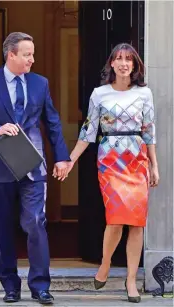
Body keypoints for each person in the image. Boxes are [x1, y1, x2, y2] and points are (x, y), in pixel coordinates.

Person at [0, 32, 70, 305]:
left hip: (33, 167)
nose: (32, 60)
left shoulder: (40, 83)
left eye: (32, 54)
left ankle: (40, 287)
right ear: (10, 54)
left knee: (36, 222)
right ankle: (10, 287)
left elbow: (53, 122)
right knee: (2, 228)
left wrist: (62, 157)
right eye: (27, 54)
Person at [58, 43, 159, 303]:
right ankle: (105, 264)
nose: (124, 63)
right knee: (115, 218)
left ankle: (131, 281)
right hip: (110, 161)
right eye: (119, 59)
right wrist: (70, 160)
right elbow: (89, 131)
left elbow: (148, 131)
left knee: (137, 223)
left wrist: (154, 165)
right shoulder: (99, 94)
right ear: (111, 64)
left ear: (135, 65)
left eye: (129, 59)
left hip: (137, 160)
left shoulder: (144, 94)